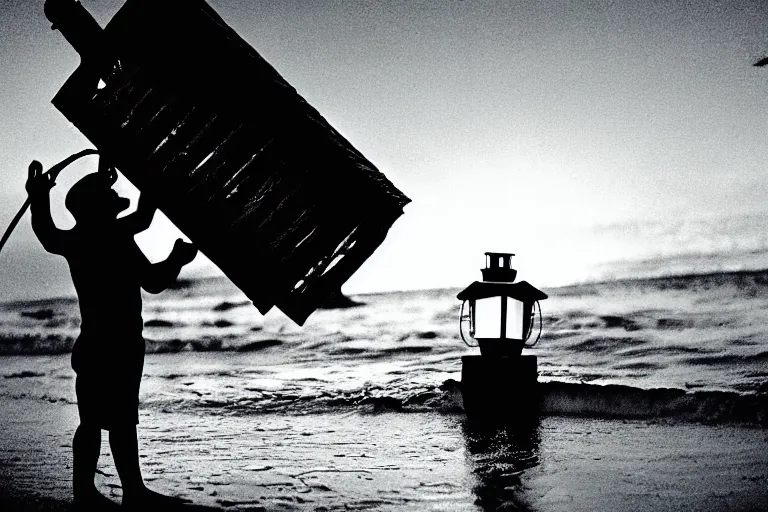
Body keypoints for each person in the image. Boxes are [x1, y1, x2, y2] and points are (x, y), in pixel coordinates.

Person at [26, 155, 197, 509]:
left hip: (92, 346)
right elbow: (152, 273)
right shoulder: (116, 235)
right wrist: (175, 259)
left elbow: (46, 233)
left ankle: (88, 492)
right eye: (110, 202)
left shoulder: (78, 240)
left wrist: (39, 196)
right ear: (101, 210)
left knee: (92, 421)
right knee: (121, 421)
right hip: (120, 346)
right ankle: (131, 491)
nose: (118, 209)